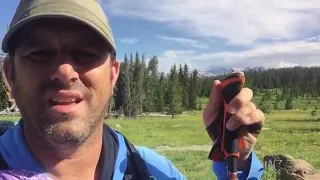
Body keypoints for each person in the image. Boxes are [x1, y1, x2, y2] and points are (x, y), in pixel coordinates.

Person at [0, 0, 264, 179]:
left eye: (86, 53)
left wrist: (236, 157)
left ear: (113, 74)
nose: (65, 72)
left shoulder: (151, 171)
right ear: (10, 74)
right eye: (39, 53)